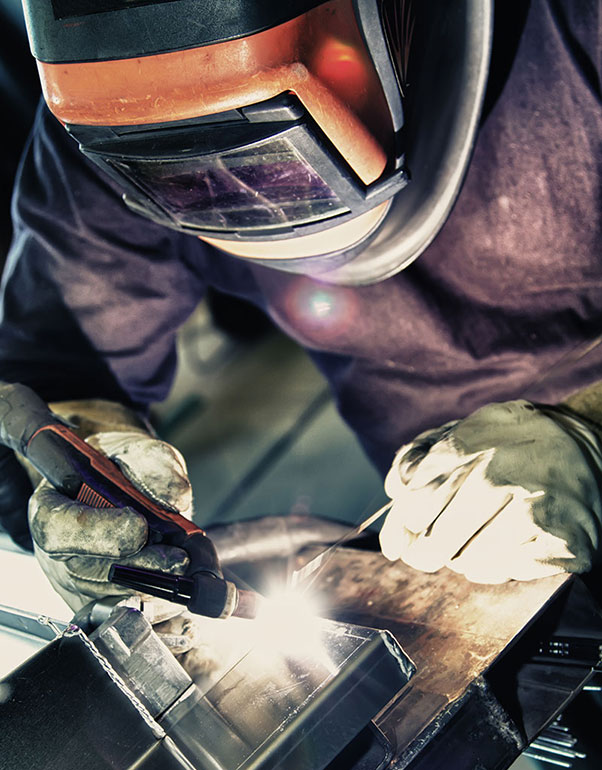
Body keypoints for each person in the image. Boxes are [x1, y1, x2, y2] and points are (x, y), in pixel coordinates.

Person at [0, 0, 600, 616]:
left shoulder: (575, 27)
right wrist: (91, 478)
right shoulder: (105, 109)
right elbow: (54, 379)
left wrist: (590, 436)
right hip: (435, 526)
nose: (243, 192)